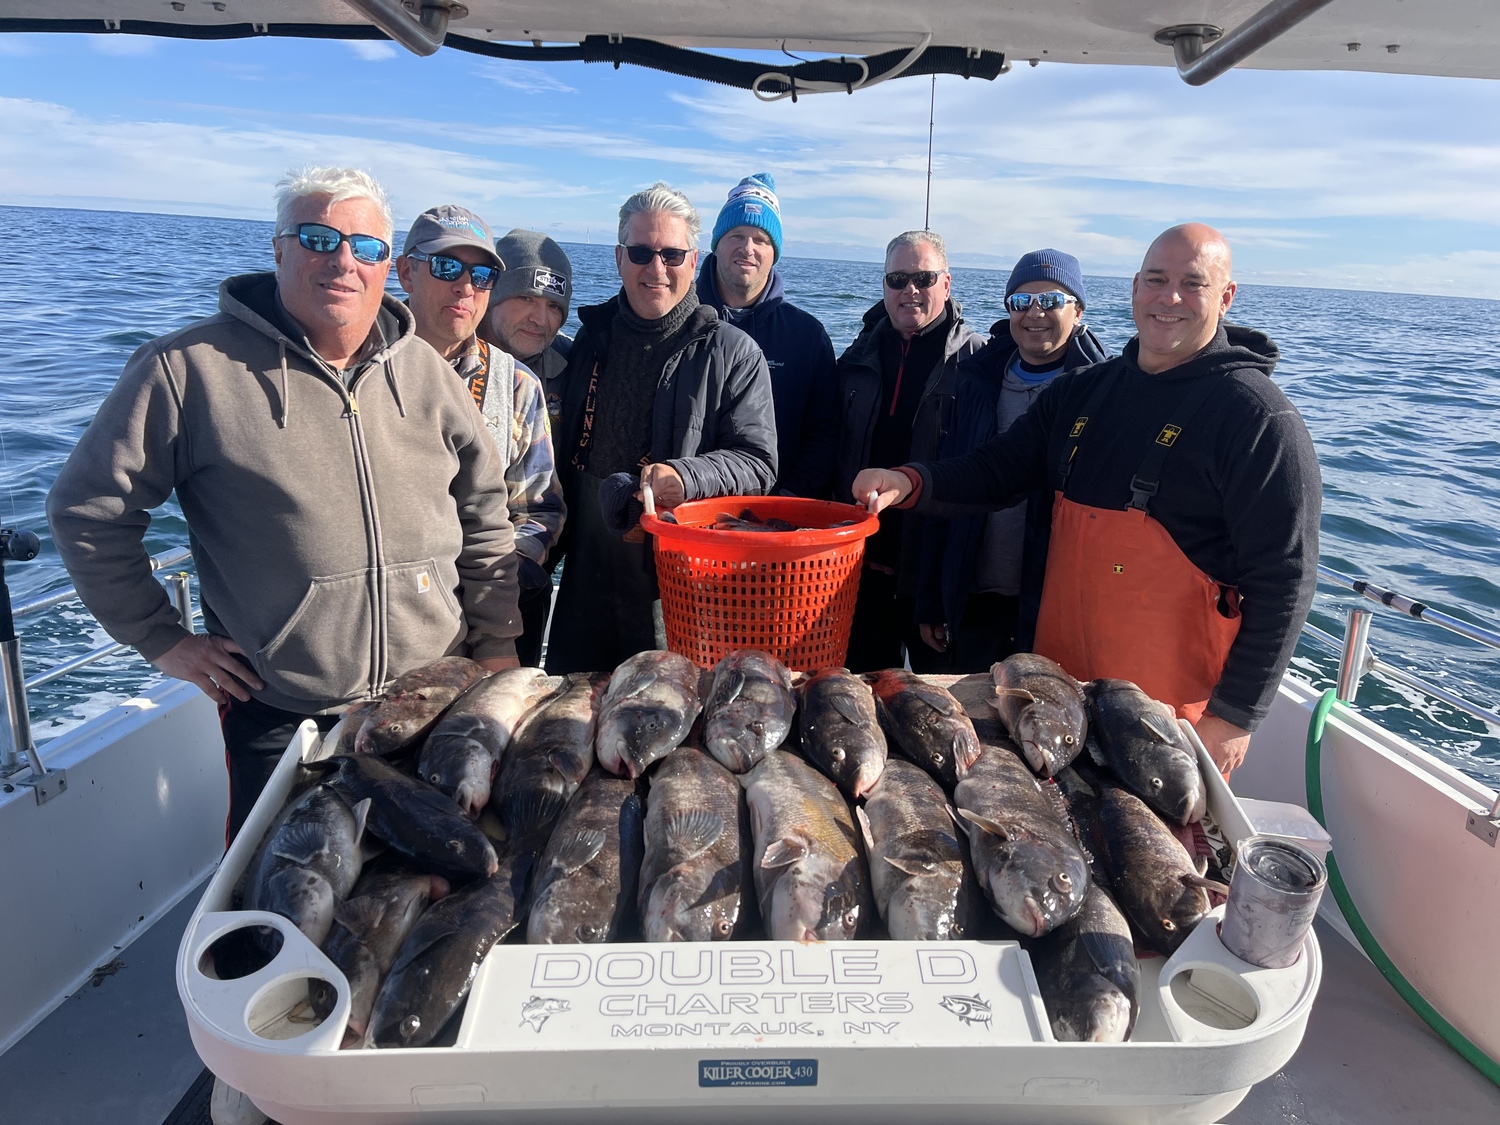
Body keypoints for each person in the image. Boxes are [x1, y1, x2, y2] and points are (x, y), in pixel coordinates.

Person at [46, 167, 523, 843]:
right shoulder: (186, 370)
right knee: (279, 917)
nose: (342, 261)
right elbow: (88, 511)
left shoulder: (424, 371)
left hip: (432, 702)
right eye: (317, 237)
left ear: (389, 265)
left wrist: (498, 644)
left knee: (426, 894)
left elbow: (484, 512)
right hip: (284, 716)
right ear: (278, 249)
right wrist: (162, 638)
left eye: (365, 246)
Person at [856, 224, 1321, 773]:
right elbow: (998, 469)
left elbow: (1285, 580)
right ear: (1133, 287)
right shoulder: (1082, 392)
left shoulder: (1259, 419)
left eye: (1191, 283)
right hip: (1060, 695)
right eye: (1156, 279)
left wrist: (1236, 715)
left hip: (1170, 716)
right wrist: (912, 481)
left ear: (1226, 297)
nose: (1168, 297)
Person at [547, 182, 777, 673]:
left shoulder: (735, 352)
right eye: (641, 252)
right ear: (617, 258)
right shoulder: (591, 337)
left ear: (694, 261)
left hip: (684, 581)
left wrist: (687, 477)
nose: (656, 269)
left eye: (672, 254)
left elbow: (759, 461)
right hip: (585, 570)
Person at [917, 249, 1110, 672]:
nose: (1034, 313)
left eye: (1051, 301)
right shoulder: (974, 379)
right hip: (972, 599)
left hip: (1054, 606)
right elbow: (947, 486)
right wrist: (931, 598)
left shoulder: (1104, 392)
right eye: (1021, 302)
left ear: (1077, 311)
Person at [396, 206, 565, 667]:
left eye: (483, 274)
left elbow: (539, 508)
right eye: (447, 266)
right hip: (389, 624)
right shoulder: (355, 369)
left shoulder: (518, 384)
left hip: (490, 620)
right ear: (406, 271)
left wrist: (508, 575)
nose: (465, 285)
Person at [834, 229, 983, 673]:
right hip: (853, 569)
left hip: (929, 577)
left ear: (947, 284)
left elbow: (985, 479)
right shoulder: (857, 354)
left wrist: (944, 592)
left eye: (923, 278)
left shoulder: (977, 361)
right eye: (897, 279)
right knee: (857, 694)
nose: (910, 291)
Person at [696, 173, 839, 497]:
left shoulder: (807, 337)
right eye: (736, 235)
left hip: (774, 518)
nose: (748, 248)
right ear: (716, 243)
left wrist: (790, 498)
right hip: (687, 514)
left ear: (774, 252)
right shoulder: (680, 320)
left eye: (761, 239)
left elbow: (824, 433)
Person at [480, 228, 576, 421]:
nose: (540, 320)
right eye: (526, 298)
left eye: (554, 306)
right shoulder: (449, 354)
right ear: (491, 297)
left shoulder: (574, 363)